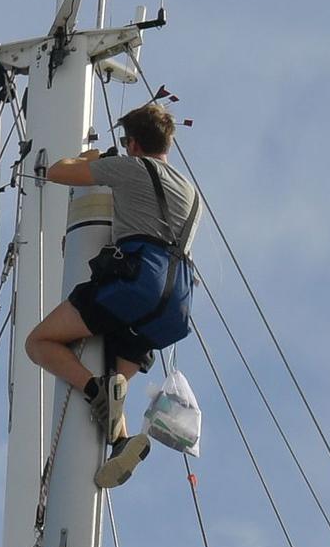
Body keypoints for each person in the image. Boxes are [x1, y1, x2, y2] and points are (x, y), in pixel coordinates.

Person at [24, 102, 201, 488]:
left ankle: (93, 388)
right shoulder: (190, 191)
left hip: (135, 285)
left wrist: (87, 156)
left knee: (39, 342)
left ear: (132, 144)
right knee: (114, 387)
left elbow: (58, 173)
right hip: (173, 306)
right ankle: (121, 442)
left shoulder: (130, 168)